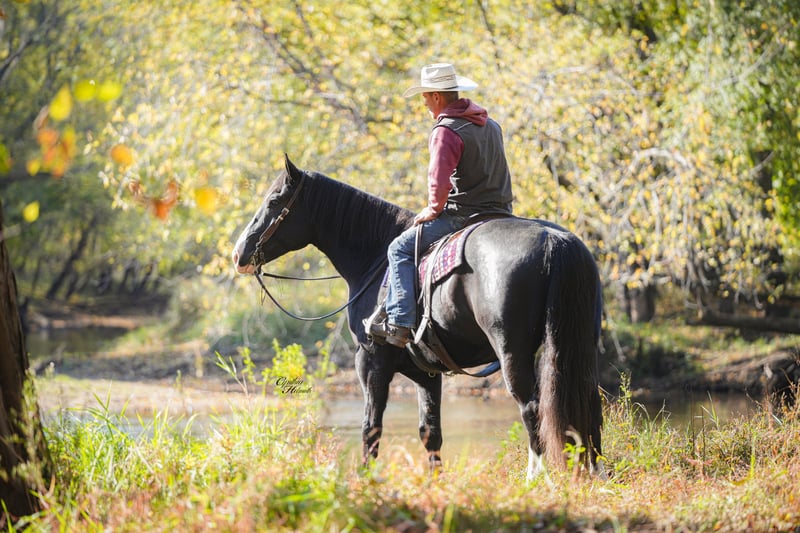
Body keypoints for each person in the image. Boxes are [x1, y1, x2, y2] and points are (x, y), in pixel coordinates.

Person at [369, 63, 514, 348]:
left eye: (425, 97)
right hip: (502, 213)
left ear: (436, 96)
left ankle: (400, 322)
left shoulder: (446, 130)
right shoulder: (491, 125)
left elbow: (439, 179)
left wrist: (433, 209)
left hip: (464, 216)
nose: (424, 103)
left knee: (399, 249)